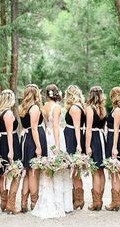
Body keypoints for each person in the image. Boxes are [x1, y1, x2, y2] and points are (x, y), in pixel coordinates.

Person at [32, 84, 73, 219]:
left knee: (48, 169)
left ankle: (49, 198)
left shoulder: (43, 106)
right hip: (55, 137)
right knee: (58, 168)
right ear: (56, 93)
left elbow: (45, 125)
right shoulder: (56, 108)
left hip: (46, 135)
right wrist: (57, 146)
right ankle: (59, 204)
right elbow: (56, 126)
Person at [19, 84, 47, 213]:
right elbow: (34, 128)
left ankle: (23, 202)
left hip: (26, 139)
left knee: (28, 172)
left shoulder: (23, 107)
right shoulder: (34, 108)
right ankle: (34, 202)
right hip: (33, 140)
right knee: (33, 172)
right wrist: (38, 147)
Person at [0, 89, 21, 214]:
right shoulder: (8, 114)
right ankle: (10, 204)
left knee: (3, 174)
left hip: (2, 143)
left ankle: (4, 202)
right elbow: (10, 134)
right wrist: (11, 151)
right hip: (9, 144)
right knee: (16, 173)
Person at [105, 86, 120, 211]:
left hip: (116, 140)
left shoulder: (117, 111)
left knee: (116, 169)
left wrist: (114, 147)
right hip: (116, 139)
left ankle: (116, 201)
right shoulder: (117, 109)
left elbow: (116, 131)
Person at [64, 84, 86, 210]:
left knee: (75, 169)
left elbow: (77, 127)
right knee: (73, 168)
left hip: (73, 138)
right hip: (71, 136)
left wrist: (78, 144)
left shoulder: (75, 108)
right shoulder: (79, 106)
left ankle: (79, 199)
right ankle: (76, 197)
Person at [85, 86, 107, 211]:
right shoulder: (102, 109)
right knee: (101, 170)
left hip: (93, 138)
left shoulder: (89, 109)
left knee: (95, 171)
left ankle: (96, 202)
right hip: (101, 138)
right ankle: (100, 200)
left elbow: (88, 129)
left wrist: (87, 146)